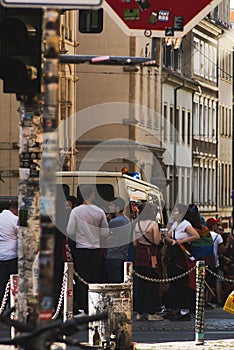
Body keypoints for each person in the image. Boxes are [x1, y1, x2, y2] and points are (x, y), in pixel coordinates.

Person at [66, 185, 109, 313]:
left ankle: (82, 308)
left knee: (82, 279)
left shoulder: (76, 211)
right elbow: (105, 233)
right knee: (94, 279)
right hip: (95, 249)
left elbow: (70, 230)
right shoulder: (100, 212)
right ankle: (94, 306)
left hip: (81, 249)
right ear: (92, 195)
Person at [164, 203, 200, 321]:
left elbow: (196, 236)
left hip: (182, 256)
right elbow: (168, 236)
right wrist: (170, 240)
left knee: (182, 283)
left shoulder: (185, 224)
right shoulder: (174, 224)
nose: (174, 214)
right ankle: (176, 308)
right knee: (174, 283)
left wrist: (182, 241)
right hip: (174, 255)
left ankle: (184, 311)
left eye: (176, 212)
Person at [133, 202, 163, 321]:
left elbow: (134, 243)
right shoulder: (153, 224)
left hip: (140, 256)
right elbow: (156, 241)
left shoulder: (136, 224)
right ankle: (151, 312)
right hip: (151, 256)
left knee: (141, 284)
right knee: (152, 284)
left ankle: (140, 312)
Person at [106, 197, 131, 283]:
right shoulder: (126, 220)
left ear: (117, 208)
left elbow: (105, 235)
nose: (109, 208)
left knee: (114, 281)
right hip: (123, 255)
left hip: (114, 255)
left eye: (111, 206)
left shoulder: (114, 222)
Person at [0, 201, 18, 304]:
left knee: (1, 284)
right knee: (14, 283)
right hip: (12, 255)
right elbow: (22, 233)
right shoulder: (14, 219)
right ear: (15, 210)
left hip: (1, 256)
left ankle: (1, 305)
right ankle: (13, 304)